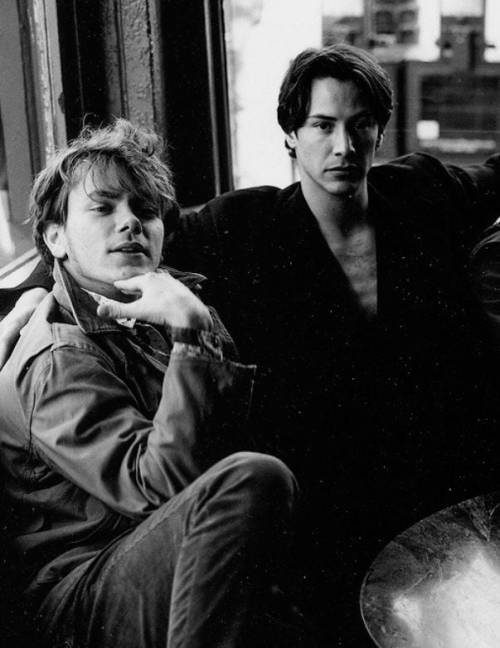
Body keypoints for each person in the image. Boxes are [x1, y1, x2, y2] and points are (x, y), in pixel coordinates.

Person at [2, 44, 500, 645]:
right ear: (291, 134)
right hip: (109, 571)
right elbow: (97, 241)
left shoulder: (421, 189)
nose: (343, 146)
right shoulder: (239, 228)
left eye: (361, 124)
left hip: (420, 468)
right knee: (266, 482)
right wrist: (32, 297)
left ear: (380, 130)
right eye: (322, 125)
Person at [0, 119, 300, 648]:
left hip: (164, 556)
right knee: (257, 477)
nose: (131, 223)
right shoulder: (57, 353)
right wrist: (191, 333)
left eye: (145, 210)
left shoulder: (162, 307)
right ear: (54, 237)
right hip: (80, 594)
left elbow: (223, 445)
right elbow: (155, 491)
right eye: (103, 208)